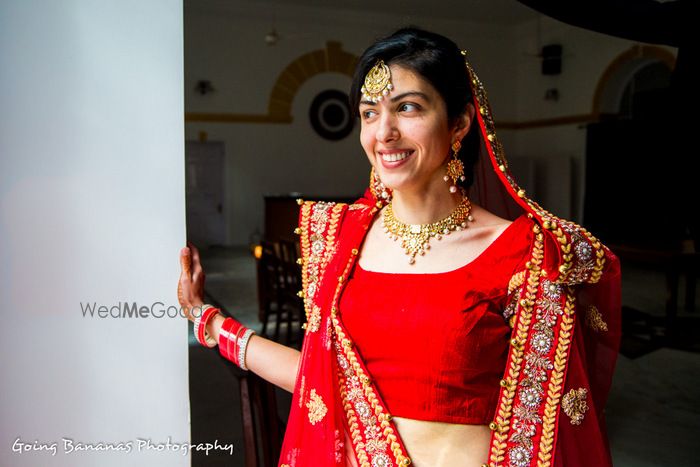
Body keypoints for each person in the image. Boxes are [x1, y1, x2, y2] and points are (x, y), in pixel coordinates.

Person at [178, 28, 621, 467]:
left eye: (407, 107)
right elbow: (320, 380)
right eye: (369, 113)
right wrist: (208, 321)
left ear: (460, 123)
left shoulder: (524, 254)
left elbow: (544, 424)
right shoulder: (340, 242)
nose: (384, 132)